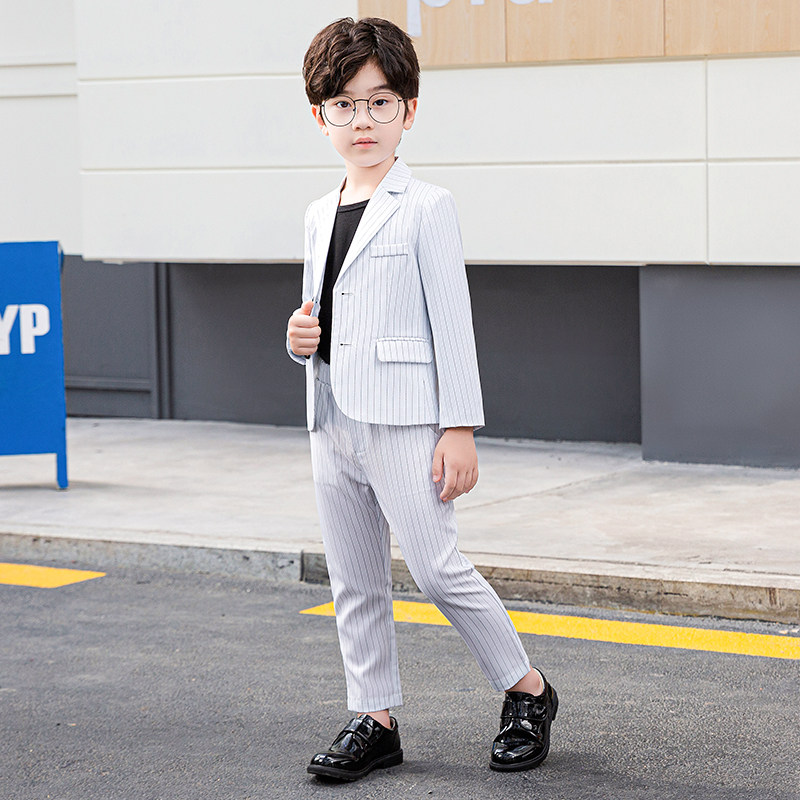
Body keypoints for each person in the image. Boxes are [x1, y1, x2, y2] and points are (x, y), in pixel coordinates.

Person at [286, 16, 557, 782]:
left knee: (436, 568)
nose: (362, 120)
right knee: (354, 577)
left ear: (408, 109)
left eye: (379, 102)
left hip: (406, 417)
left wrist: (458, 425)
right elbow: (324, 310)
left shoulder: (426, 206)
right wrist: (299, 338)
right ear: (320, 117)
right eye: (344, 105)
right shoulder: (318, 212)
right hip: (332, 418)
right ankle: (374, 717)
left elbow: (452, 321)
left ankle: (528, 690)